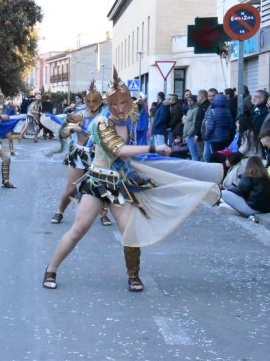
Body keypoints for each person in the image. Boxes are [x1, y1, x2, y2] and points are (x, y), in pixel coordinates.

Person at [43, 70, 221, 292]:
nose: (119, 109)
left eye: (124, 103)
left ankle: (133, 275)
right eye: (114, 104)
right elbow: (118, 149)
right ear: (107, 104)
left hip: (120, 182)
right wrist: (155, 147)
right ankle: (51, 268)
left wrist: (150, 160)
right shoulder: (100, 123)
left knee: (131, 230)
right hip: (98, 181)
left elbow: (131, 151)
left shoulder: (129, 120)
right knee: (78, 230)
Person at [49, 80, 112, 227]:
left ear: (100, 101)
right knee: (71, 188)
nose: (91, 104)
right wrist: (72, 129)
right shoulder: (79, 115)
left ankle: (103, 214)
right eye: (88, 101)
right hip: (79, 154)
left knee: (101, 186)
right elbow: (63, 133)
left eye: (94, 101)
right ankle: (59, 212)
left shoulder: (105, 118)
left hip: (97, 155)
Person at [220, 156, 270, 222]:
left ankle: (242, 213)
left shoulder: (249, 175)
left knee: (223, 193)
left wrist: (228, 189)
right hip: (266, 209)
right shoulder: (266, 177)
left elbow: (240, 191)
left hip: (252, 208)